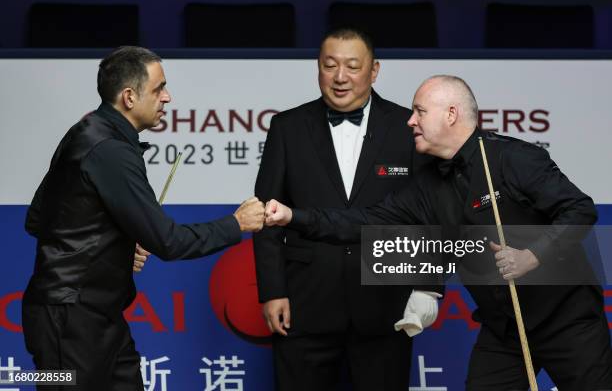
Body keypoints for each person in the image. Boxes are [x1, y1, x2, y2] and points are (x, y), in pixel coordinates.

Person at [265, 75, 612, 391]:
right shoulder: (427, 187)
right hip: (504, 329)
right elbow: (364, 222)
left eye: (419, 111)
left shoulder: (513, 158)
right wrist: (293, 216)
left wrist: (532, 255)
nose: (410, 120)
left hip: (568, 320)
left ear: (450, 114)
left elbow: (580, 210)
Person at [22, 46, 265, 391]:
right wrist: (236, 223)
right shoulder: (110, 150)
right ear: (129, 97)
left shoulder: (86, 130)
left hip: (95, 317)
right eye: (159, 88)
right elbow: (168, 241)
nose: (168, 97)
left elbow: (38, 219)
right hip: (69, 320)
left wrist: (115, 244)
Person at [253, 28, 441, 391]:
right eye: (330, 65)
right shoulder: (287, 127)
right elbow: (267, 215)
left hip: (386, 304)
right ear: (318, 69)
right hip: (304, 305)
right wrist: (272, 291)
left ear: (374, 71)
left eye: (353, 66)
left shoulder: (408, 129)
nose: (340, 77)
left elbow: (429, 216)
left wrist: (427, 288)